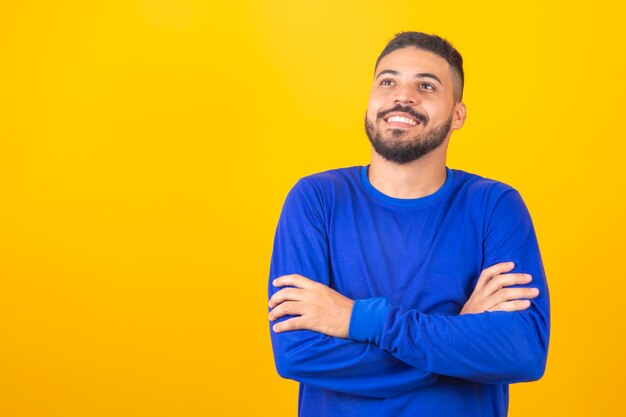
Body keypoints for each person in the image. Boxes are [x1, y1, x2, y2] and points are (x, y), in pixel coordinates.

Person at [267, 32, 549, 417]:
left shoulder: (494, 206)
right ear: (370, 101)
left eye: (426, 86)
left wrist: (359, 319)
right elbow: (298, 354)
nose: (403, 96)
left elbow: (522, 352)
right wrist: (459, 334)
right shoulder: (317, 199)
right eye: (388, 81)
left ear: (457, 115)